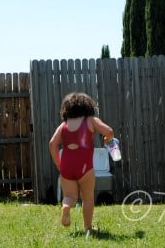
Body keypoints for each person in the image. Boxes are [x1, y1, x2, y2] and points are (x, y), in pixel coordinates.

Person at [49, 92, 114, 232]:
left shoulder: (63, 125)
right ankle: (88, 227)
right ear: (88, 107)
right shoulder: (91, 120)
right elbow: (109, 131)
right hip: (84, 166)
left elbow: (52, 144)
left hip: (66, 166)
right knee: (87, 197)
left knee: (70, 196)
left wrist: (59, 165)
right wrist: (107, 139)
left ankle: (66, 206)